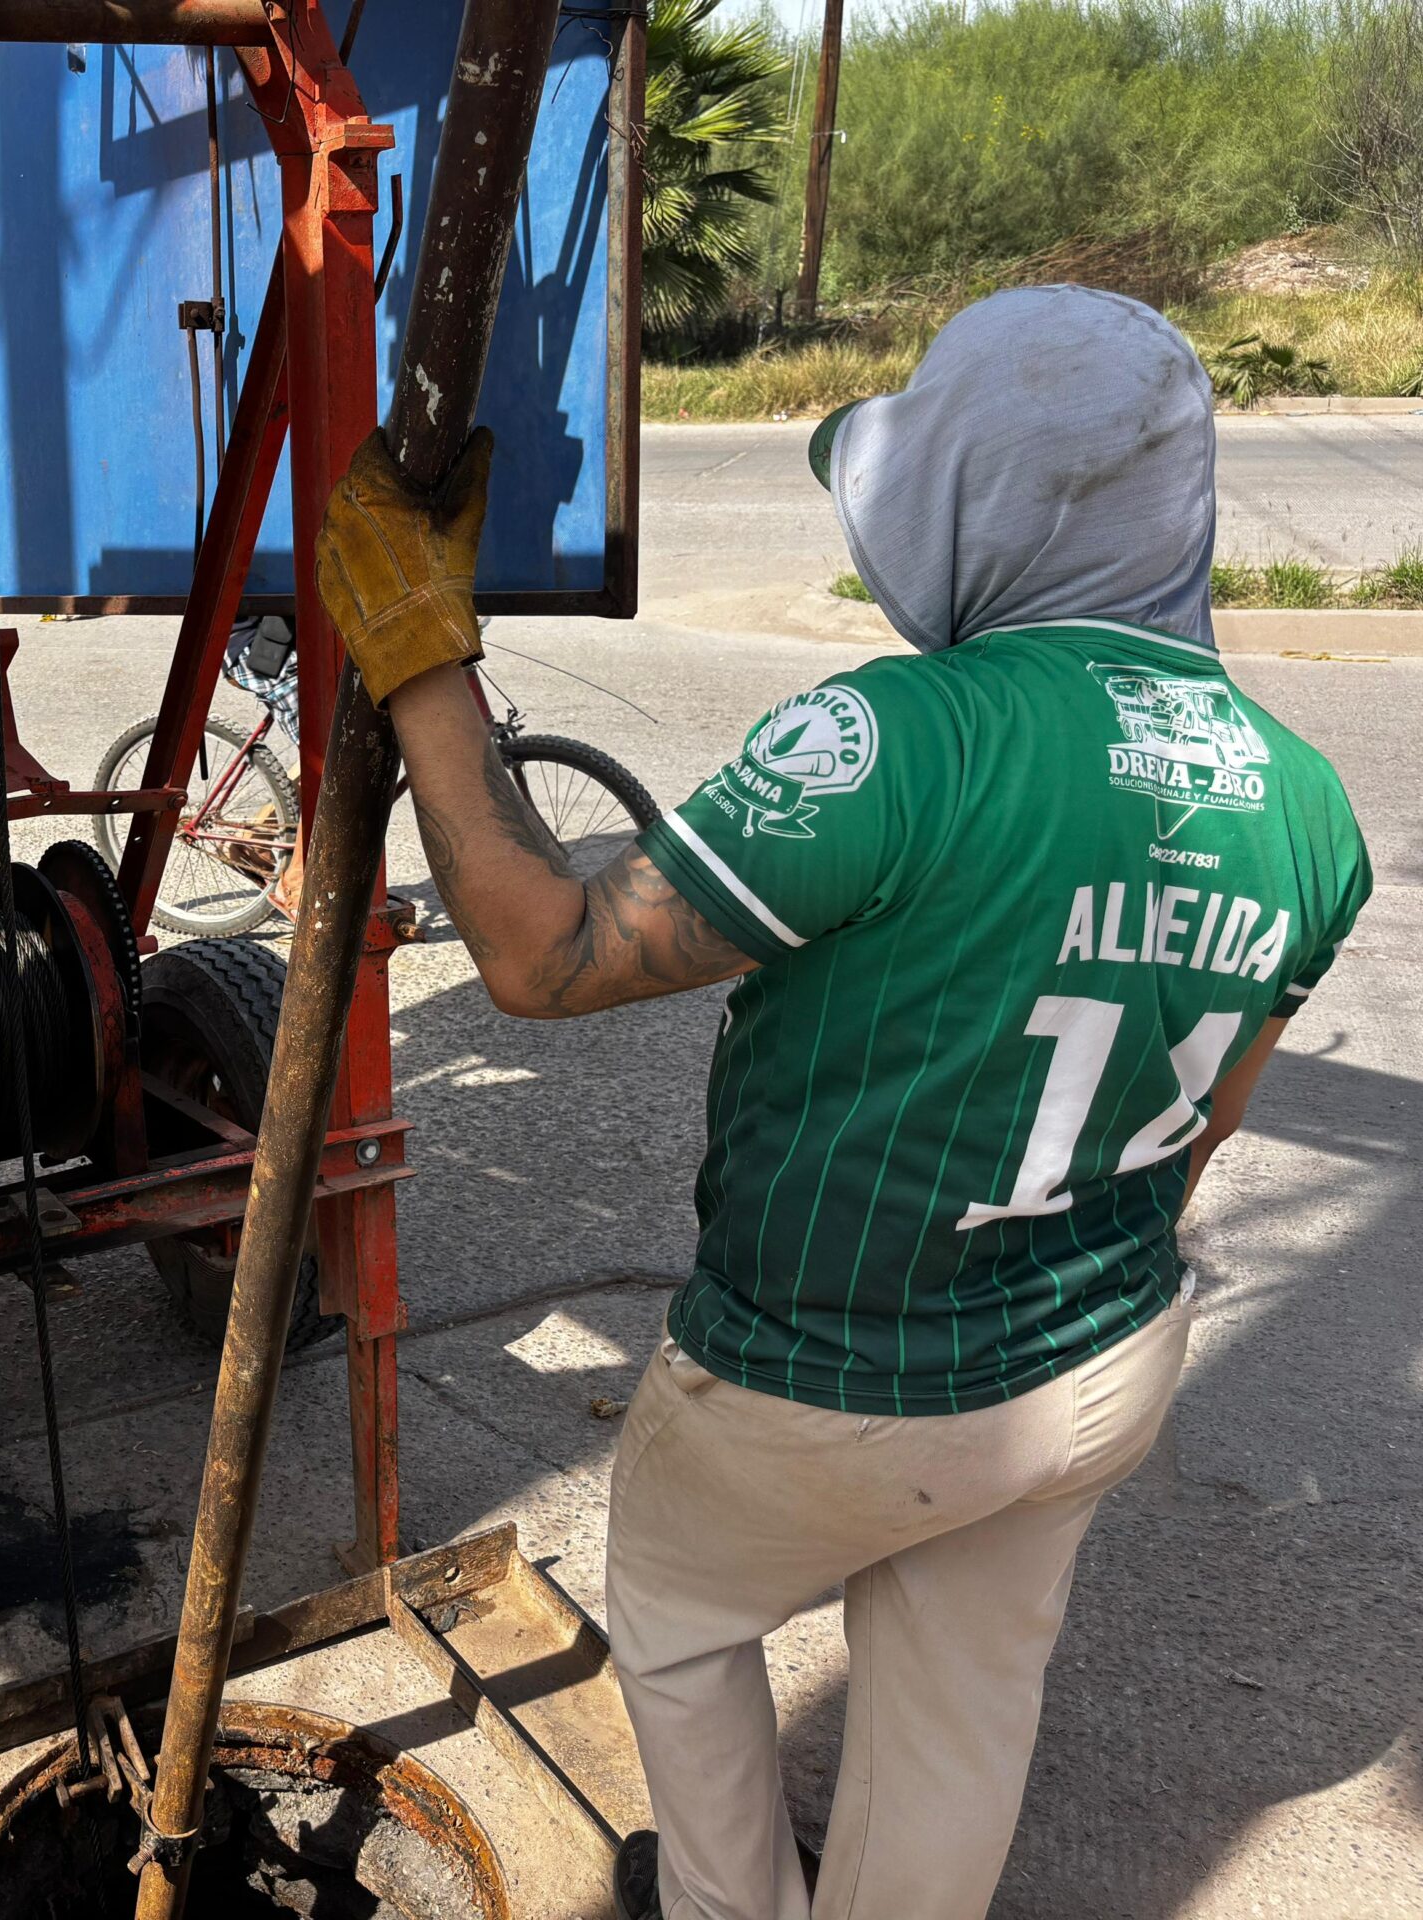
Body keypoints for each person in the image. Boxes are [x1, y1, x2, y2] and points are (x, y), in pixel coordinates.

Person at [314, 286, 1370, 1920]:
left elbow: (545, 952)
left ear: (981, 498)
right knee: (964, 1712)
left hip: (814, 1391)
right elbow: (1209, 1127)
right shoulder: (1311, 810)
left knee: (676, 1620)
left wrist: (421, 660)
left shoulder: (897, 741)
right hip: (1098, 1367)